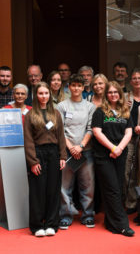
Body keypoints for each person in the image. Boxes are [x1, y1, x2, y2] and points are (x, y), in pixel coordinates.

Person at [23, 82, 67, 237]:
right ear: (36, 95)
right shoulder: (30, 115)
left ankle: (51, 224)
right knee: (37, 190)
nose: (44, 96)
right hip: (38, 153)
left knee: (53, 190)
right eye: (40, 93)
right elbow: (28, 140)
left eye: (46, 93)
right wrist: (33, 162)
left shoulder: (56, 114)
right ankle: (36, 225)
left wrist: (63, 156)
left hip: (54, 153)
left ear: (50, 95)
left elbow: (61, 136)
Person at [91, 81, 134, 237]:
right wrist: (113, 148)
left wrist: (120, 148)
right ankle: (122, 225)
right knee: (112, 189)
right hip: (104, 155)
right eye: (110, 92)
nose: (113, 95)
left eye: (116, 92)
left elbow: (129, 133)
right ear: (106, 95)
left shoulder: (125, 111)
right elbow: (97, 132)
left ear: (120, 94)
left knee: (117, 189)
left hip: (120, 155)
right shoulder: (100, 111)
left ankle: (110, 222)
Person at [57, 74, 96, 229]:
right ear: (69, 87)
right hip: (66, 152)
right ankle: (65, 216)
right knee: (64, 187)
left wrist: (80, 146)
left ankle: (88, 215)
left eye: (79, 86)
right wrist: (71, 147)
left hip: (85, 151)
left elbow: (90, 128)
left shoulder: (90, 106)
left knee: (88, 186)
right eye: (73, 85)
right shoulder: (61, 106)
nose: (76, 88)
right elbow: (60, 130)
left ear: (83, 87)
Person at [123, 68, 140, 213]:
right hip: (129, 138)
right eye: (134, 78)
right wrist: (123, 108)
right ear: (130, 81)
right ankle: (131, 202)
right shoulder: (124, 96)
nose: (137, 80)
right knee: (128, 171)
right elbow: (119, 117)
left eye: (139, 78)